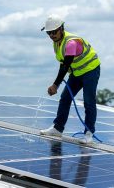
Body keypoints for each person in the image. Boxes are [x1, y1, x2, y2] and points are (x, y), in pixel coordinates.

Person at [39, 15, 100, 144]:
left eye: (54, 32)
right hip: (77, 73)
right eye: (49, 33)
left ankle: (89, 133)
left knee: (89, 101)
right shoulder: (57, 43)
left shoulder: (71, 42)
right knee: (65, 98)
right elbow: (63, 63)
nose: (51, 35)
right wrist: (57, 84)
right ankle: (57, 128)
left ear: (61, 28)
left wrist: (55, 85)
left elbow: (66, 65)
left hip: (91, 70)